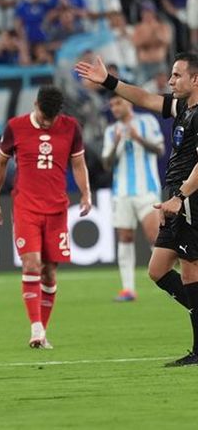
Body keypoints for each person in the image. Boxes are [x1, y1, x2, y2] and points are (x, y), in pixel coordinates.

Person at [75, 52, 198, 366]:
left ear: (195, 79)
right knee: (157, 270)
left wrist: (180, 197)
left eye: (177, 75)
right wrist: (109, 82)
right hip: (173, 196)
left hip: (190, 199)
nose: (170, 81)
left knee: (189, 271)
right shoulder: (183, 106)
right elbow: (145, 97)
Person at [0, 86, 92, 349]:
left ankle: (42, 331)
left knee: (49, 272)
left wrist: (85, 194)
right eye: (44, 116)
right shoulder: (16, 127)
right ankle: (35, 329)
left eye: (52, 118)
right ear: (35, 105)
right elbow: (0, 163)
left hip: (57, 208)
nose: (47, 122)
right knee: (31, 264)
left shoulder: (71, 127)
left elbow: (78, 163)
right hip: (26, 206)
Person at [101, 94, 165, 301]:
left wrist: (138, 138)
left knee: (154, 236)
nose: (114, 108)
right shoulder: (111, 131)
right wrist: (117, 143)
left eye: (118, 103)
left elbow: (160, 149)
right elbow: (106, 164)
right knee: (125, 237)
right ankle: (128, 289)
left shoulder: (147, 121)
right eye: (111, 105)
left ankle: (166, 280)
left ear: (128, 102)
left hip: (147, 190)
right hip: (121, 192)